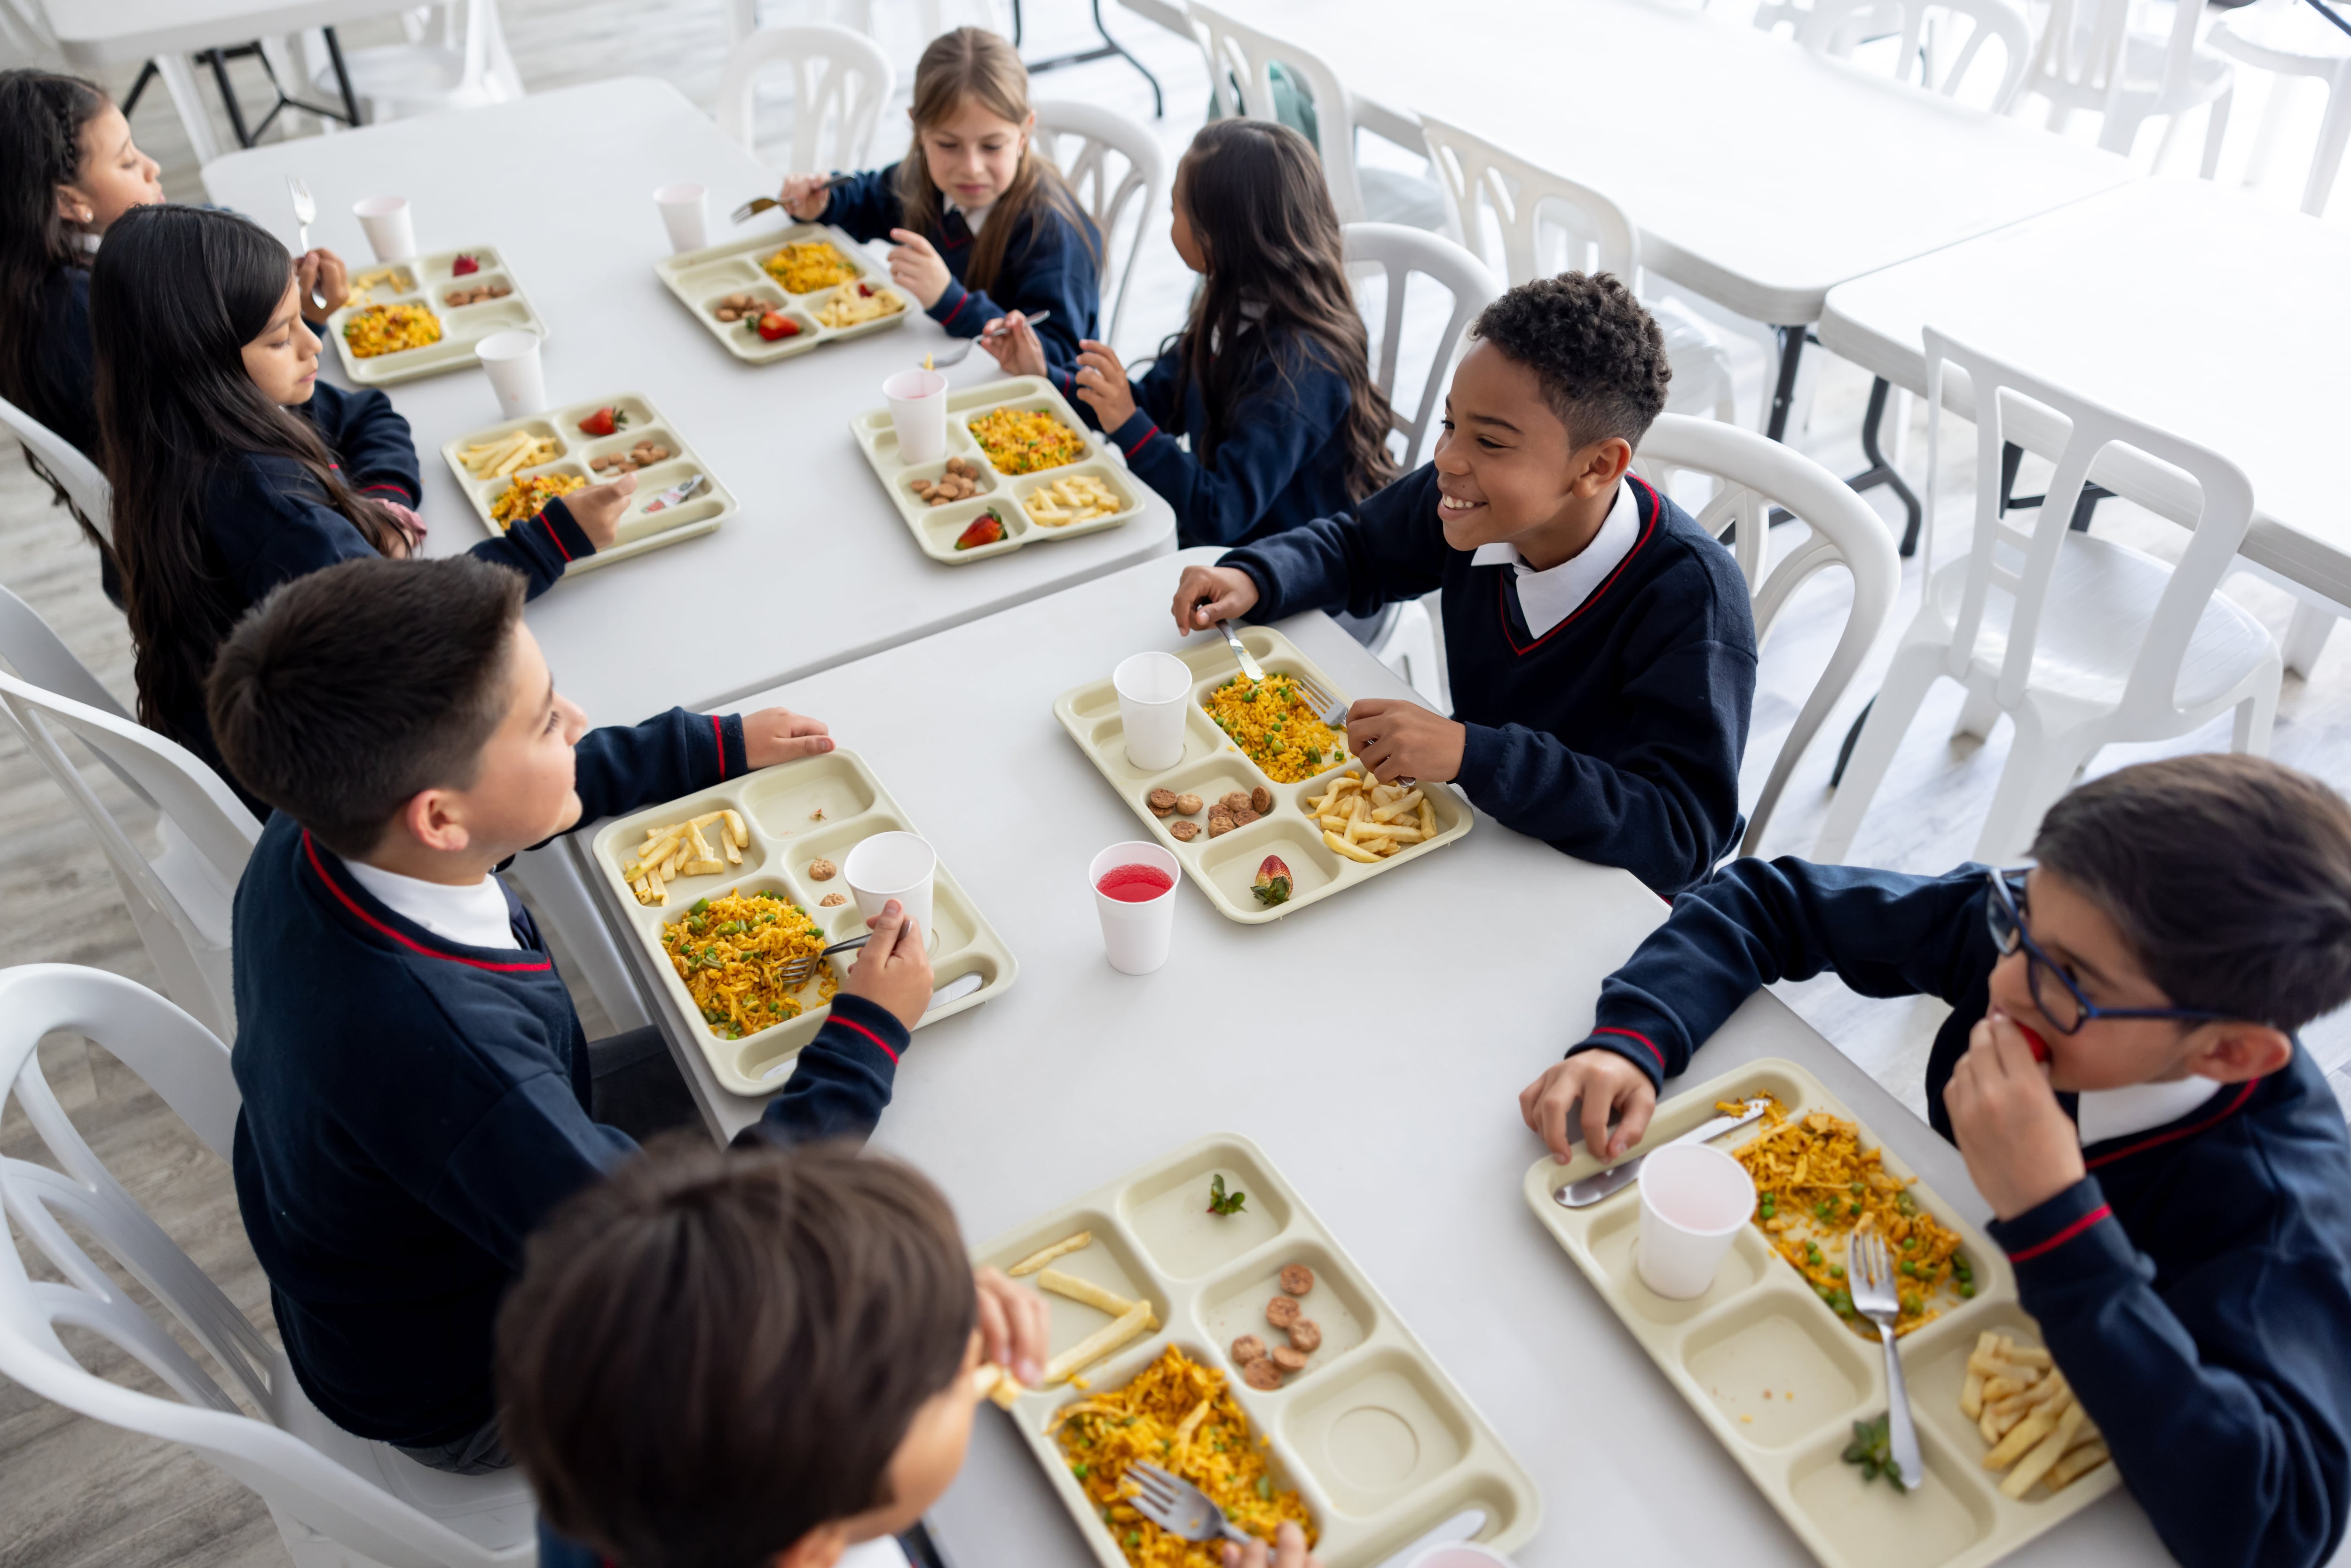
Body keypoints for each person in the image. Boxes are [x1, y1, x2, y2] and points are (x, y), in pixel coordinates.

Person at [1519, 754, 2351, 1568]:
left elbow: (2283, 1524)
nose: (2008, 983)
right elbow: (1768, 901)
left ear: (2228, 1053)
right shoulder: (2038, 941)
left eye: (2068, 978)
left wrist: (2055, 1213)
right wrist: (1633, 1039)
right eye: (2020, 912)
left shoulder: (2278, 1211)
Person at [206, 555, 936, 1473]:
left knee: (742, 1070)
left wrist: (702, 747)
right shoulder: (453, 1055)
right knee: (848, 1315)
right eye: (548, 720)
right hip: (470, 1380)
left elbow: (505, 801)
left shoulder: (324, 819)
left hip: (411, 1220)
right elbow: (694, 1271)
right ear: (439, 819)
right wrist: (865, 1040)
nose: (579, 721)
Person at [1169, 272, 1755, 894]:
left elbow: (1679, 834)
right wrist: (1256, 575)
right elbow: (1360, 547)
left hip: (1603, 896)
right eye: (1451, 423)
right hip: (1479, 835)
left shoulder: (1692, 599)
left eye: (1490, 441)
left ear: (1597, 466)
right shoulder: (1470, 505)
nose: (1446, 457)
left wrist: (1474, 754)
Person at [500, 1137, 1321, 1568]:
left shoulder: (615, 1452)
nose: (971, 1349)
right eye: (949, 1377)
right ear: (813, 1548)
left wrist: (907, 1295)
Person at [91, 204, 625, 807]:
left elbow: (369, 413)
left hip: (260, 749)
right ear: (205, 364)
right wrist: (551, 541)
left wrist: (383, 508)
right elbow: (430, 631)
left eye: (303, 318)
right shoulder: (281, 515)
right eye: (280, 337)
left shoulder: (171, 428)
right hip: (333, 794)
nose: (313, 343)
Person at [985, 118, 1396, 549]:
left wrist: (1128, 422)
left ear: (1217, 238)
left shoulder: (1302, 369)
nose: (1171, 218)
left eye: (1175, 209)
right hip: (1225, 542)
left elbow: (1219, 514)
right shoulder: (1234, 306)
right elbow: (1150, 405)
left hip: (1290, 565)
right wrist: (1046, 375)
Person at [774, 27, 1099, 370]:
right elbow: (869, 200)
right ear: (919, 130)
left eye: (992, 146)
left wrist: (951, 301)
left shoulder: (1052, 232)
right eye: (948, 145)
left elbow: (1060, 357)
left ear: (1024, 134)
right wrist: (824, 201)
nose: (971, 168)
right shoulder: (921, 181)